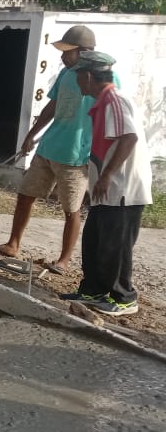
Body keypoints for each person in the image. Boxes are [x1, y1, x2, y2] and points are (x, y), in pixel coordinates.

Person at [0, 25, 117, 274]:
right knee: (25, 196)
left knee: (71, 209)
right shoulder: (67, 75)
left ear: (84, 51)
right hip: (48, 148)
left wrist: (98, 155)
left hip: (76, 156)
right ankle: (13, 244)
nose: (62, 56)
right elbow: (52, 106)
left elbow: (109, 120)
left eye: (68, 51)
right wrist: (31, 135)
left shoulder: (104, 79)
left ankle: (63, 261)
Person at [61, 52, 153, 316]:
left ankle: (124, 298)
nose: (77, 82)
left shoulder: (115, 100)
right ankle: (93, 290)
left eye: (78, 76)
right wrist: (96, 182)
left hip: (123, 190)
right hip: (106, 190)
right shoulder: (102, 103)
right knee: (95, 241)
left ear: (88, 76)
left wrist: (106, 176)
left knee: (117, 245)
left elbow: (129, 138)